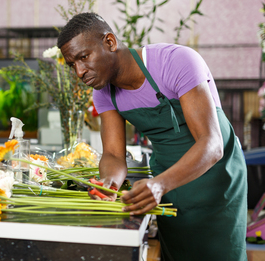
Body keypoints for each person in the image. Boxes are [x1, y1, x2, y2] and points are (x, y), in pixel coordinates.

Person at [57, 12, 247, 260]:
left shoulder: (175, 62)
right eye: (72, 65)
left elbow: (211, 145)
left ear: (110, 43)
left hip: (216, 180)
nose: (80, 72)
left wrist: (159, 184)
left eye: (84, 57)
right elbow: (113, 154)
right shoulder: (104, 93)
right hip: (170, 185)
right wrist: (109, 185)